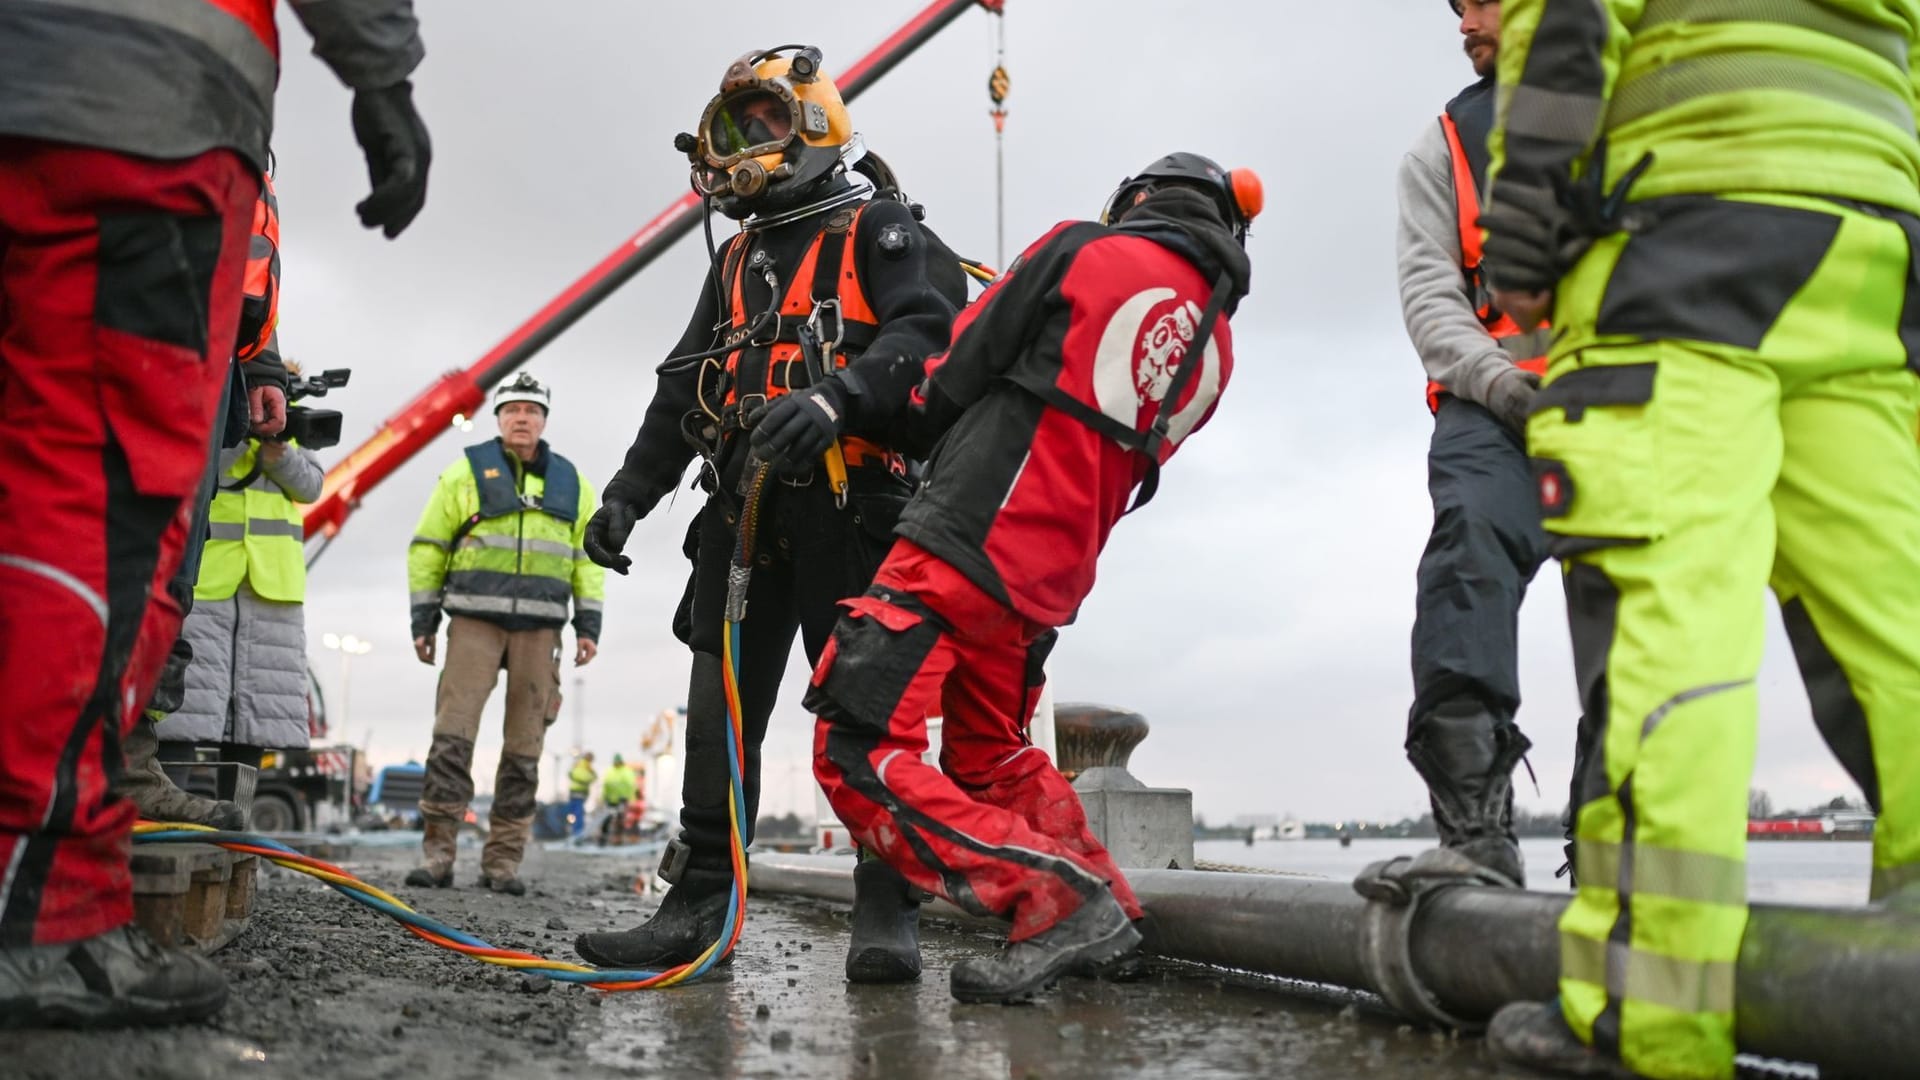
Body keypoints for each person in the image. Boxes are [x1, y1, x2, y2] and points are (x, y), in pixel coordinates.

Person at [1475, 4, 1920, 1078]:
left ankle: (1655, 1019)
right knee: (1896, 621)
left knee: (1670, 634)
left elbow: (1571, 18)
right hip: (1870, 246)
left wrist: (1525, 238)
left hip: (1681, 240)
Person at [0, 0, 429, 1030]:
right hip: (138, 111)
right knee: (89, 505)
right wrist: (384, 77)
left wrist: (259, 362)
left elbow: (262, 283)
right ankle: (41, 912)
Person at [806, 152, 1258, 1004]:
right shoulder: (1215, 346)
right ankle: (1109, 916)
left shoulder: (1084, 248)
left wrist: (864, 405)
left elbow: (953, 373)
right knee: (992, 753)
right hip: (1051, 577)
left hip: (966, 534)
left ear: (1138, 200)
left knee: (857, 750)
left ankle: (1052, 902)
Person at [575, 45, 959, 983]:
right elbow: (681, 390)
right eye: (735, 127)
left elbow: (931, 331)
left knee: (867, 715)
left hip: (853, 508)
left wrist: (837, 398)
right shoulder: (739, 259)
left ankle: (886, 906)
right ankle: (700, 901)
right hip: (743, 510)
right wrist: (629, 492)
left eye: (769, 123)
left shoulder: (885, 232)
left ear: (818, 126)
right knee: (719, 710)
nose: (749, 143)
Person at [1394, 0, 1551, 887]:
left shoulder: (1636, 99)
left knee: (1637, 615)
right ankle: (1476, 833)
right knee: (1466, 561)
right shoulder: (1441, 147)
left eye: (1481, 0)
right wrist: (1501, 382)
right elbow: (1430, 297)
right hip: (1492, 409)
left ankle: (1620, 845)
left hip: (1629, 403)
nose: (1464, 22)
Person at [405, 374, 603, 896]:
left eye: (532, 410)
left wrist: (589, 625)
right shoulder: (464, 473)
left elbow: (588, 560)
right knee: (452, 737)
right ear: (497, 418)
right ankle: (438, 854)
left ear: (544, 420)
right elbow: (428, 546)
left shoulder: (572, 484)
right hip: (472, 621)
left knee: (524, 748)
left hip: (541, 629)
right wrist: (423, 620)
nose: (522, 418)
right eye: (512, 409)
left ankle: (503, 862)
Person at [155, 405, 327, 784]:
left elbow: (311, 486)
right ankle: (166, 820)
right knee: (183, 711)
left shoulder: (287, 412)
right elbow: (195, 469)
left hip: (270, 588)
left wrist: (279, 455)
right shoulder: (215, 405)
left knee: (255, 724)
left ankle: (238, 827)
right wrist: (237, 432)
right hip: (207, 581)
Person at [599, 754, 638, 845]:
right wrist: (604, 798)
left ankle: (618, 839)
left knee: (620, 820)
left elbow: (631, 786)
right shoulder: (610, 771)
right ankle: (603, 839)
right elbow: (606, 786)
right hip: (611, 801)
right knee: (607, 819)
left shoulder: (626, 772)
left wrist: (631, 799)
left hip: (622, 800)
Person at [568, 752, 598, 840]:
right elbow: (592, 777)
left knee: (573, 813)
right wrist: (585, 781)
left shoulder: (576, 764)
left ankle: (572, 830)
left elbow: (570, 774)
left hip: (573, 791)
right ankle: (578, 833)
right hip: (580, 792)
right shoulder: (587, 766)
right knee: (578, 813)